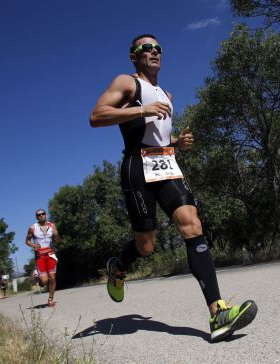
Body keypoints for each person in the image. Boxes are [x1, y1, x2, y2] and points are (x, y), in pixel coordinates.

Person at [90, 33, 257, 342]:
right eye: (146, 48)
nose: (153, 52)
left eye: (158, 48)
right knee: (147, 245)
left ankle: (218, 313)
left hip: (166, 165)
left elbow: (160, 138)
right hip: (136, 167)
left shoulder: (166, 94)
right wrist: (141, 110)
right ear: (134, 56)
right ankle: (119, 264)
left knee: (192, 225)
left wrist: (178, 142)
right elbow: (96, 116)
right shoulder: (128, 83)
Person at [25, 209, 60, 307]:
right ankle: (40, 279)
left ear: (46, 215)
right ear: (36, 217)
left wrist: (56, 235)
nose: (41, 216)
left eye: (42, 214)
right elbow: (27, 240)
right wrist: (33, 245)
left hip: (50, 254)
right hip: (39, 256)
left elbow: (57, 241)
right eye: (38, 215)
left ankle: (50, 299)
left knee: (52, 277)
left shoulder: (52, 226)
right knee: (44, 281)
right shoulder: (32, 228)